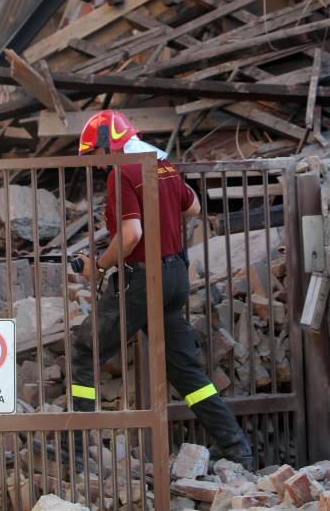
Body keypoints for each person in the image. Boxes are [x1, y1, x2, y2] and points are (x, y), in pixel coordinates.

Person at [70, 110, 253, 468]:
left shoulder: (123, 172)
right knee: (186, 370)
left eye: (94, 155)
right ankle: (237, 449)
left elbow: (131, 235)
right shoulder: (162, 164)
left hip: (141, 280)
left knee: (85, 351)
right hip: (174, 278)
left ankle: (76, 452)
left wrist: (99, 266)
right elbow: (194, 208)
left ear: (108, 145)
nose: (94, 165)